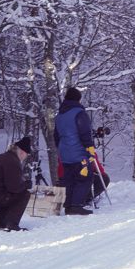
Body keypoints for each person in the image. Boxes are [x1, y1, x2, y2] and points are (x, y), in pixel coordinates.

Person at [54, 87, 96, 215]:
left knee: (68, 179)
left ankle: (68, 206)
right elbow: (85, 133)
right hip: (78, 152)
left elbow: (56, 135)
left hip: (64, 153)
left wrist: (61, 149)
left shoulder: (59, 115)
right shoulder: (79, 113)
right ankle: (76, 205)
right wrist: (90, 148)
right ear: (78, 99)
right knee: (84, 178)